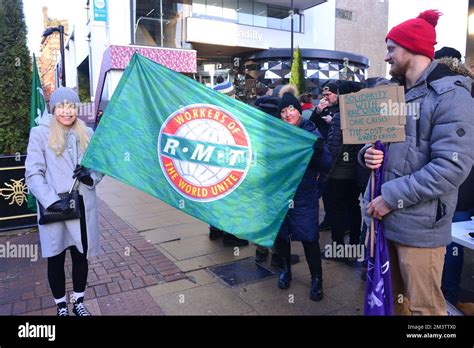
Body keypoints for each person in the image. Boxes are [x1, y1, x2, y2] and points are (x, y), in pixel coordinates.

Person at [360, 10, 474, 315]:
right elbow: (373, 144)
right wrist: (366, 155)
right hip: (384, 221)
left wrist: (391, 198)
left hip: (420, 228)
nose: (386, 57)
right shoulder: (391, 92)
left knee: (427, 311)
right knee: (396, 303)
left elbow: (451, 167)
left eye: (391, 49)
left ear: (412, 49)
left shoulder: (451, 96)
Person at [25, 87, 103, 316]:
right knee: (56, 258)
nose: (67, 111)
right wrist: (50, 201)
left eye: (71, 106)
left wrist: (90, 176)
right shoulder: (40, 133)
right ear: (53, 108)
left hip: (82, 205)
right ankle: (61, 306)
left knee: (81, 256)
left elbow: (99, 166)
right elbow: (33, 172)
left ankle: (78, 301)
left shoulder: (87, 132)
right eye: (61, 106)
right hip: (55, 209)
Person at [273, 88, 332, 301]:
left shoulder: (311, 132)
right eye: (283, 112)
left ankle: (317, 279)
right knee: (281, 236)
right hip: (279, 195)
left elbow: (326, 165)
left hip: (304, 195)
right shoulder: (275, 133)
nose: (288, 114)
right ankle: (285, 270)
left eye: (291, 109)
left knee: (309, 238)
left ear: (298, 111)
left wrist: (317, 152)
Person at [434, 47, 474, 315]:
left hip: (459, 189)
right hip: (458, 188)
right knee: (452, 247)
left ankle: (447, 299)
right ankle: (446, 297)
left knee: (452, 247)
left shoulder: (453, 97)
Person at [326, 81, 366, 253]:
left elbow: (334, 148)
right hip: (357, 172)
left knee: (336, 210)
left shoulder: (339, 116)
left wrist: (326, 169)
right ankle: (356, 244)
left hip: (339, 173)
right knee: (353, 207)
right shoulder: (363, 114)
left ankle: (338, 248)